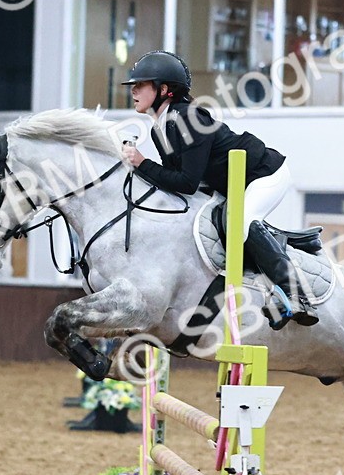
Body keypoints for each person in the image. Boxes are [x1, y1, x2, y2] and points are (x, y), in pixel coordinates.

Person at [118, 50, 317, 328]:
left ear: (164, 90)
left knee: (241, 223)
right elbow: (172, 181)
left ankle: (296, 294)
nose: (134, 91)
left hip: (263, 174)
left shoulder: (186, 118)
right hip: (229, 183)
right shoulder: (159, 129)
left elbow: (186, 183)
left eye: (141, 85)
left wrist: (142, 163)